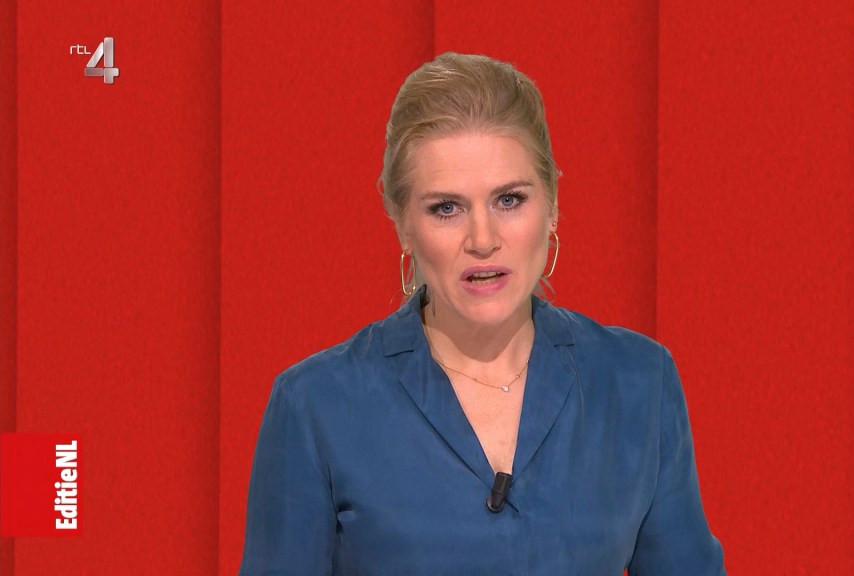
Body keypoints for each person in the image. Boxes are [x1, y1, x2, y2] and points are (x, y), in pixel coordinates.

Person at [239, 52, 725, 575]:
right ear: (403, 224)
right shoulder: (315, 407)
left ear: (552, 205)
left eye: (509, 200)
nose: (483, 239)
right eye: (446, 208)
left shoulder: (638, 383)